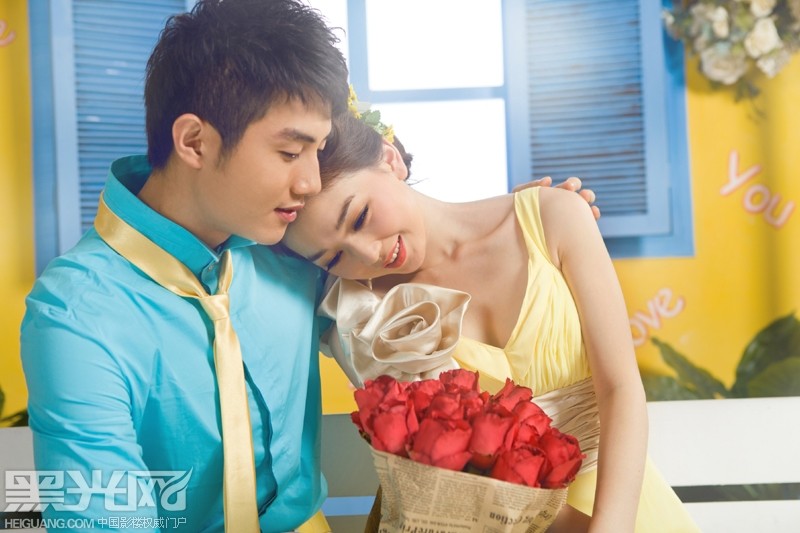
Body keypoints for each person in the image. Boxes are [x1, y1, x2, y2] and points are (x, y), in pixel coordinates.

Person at [281, 110, 701, 532]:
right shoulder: (363, 317)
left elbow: (620, 387)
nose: (367, 254)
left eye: (359, 217)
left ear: (390, 160)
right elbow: (454, 478)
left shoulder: (552, 215)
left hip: (620, 507)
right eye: (333, 258)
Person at [20, 1, 349, 531]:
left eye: (320, 150)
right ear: (194, 141)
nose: (310, 182)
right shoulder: (75, 313)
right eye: (290, 153)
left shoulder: (299, 245)